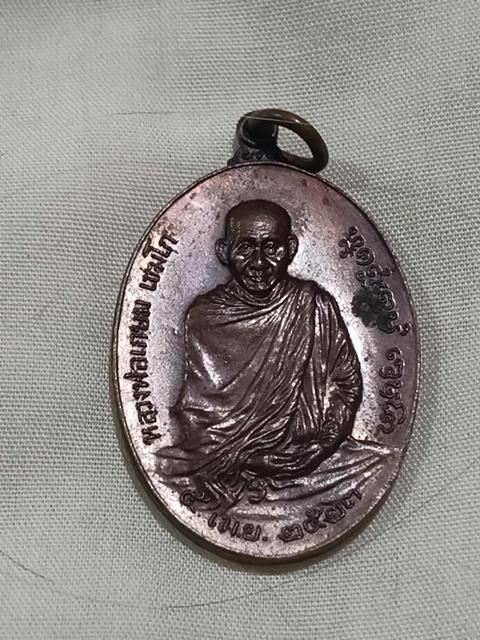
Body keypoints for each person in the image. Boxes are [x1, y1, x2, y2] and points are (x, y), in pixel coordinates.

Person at [157, 199, 382, 508]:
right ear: (224, 252)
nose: (259, 263)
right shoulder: (205, 316)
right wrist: (240, 456)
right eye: (246, 248)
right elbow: (197, 411)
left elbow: (347, 385)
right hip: (223, 460)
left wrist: (320, 446)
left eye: (271, 247)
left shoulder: (314, 306)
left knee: (376, 462)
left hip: (308, 454)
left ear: (290, 249)